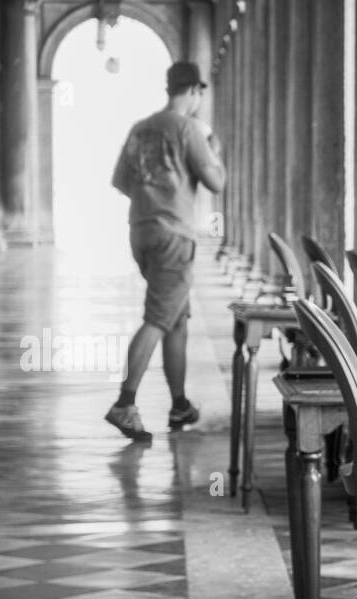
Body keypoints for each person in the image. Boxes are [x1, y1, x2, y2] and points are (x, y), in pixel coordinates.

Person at [106, 61, 226, 442]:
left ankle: (179, 404)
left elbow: (122, 181)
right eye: (199, 95)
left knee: (176, 317)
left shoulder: (140, 129)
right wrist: (214, 152)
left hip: (141, 231)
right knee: (159, 317)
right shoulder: (188, 129)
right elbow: (216, 182)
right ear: (193, 91)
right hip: (174, 235)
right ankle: (125, 404)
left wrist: (153, 198)